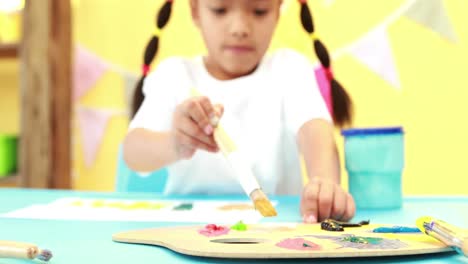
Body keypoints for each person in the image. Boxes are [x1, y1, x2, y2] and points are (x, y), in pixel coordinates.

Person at [123, 0, 355, 223]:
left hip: (274, 232)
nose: (239, 28)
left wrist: (324, 184)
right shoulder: (174, 74)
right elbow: (133, 153)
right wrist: (175, 143)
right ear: (195, 10)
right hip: (186, 229)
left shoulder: (289, 69)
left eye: (260, 11)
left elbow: (316, 132)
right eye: (220, 9)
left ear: (277, 10)